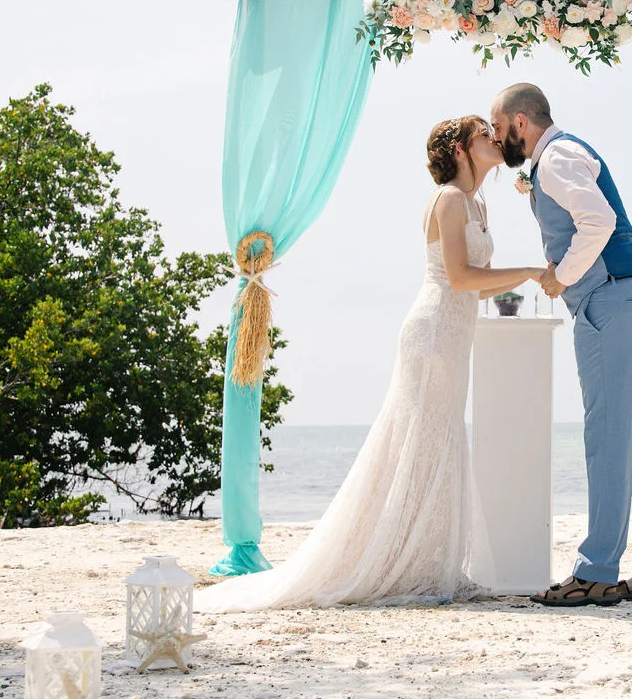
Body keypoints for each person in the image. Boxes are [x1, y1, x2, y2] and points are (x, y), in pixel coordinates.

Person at [196, 116, 545, 612]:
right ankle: (406, 564)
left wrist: (525, 280)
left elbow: (483, 283)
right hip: (431, 334)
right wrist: (531, 270)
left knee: (439, 437)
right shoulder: (447, 199)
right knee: (420, 439)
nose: (494, 137)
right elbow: (461, 278)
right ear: (462, 151)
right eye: (483, 133)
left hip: (455, 333)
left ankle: (427, 562)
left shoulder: (479, 202)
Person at [490, 83, 632, 608]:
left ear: (521, 123)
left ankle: (596, 571)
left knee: (607, 438)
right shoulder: (560, 157)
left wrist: (561, 277)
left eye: (498, 126)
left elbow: (598, 221)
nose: (495, 136)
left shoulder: (554, 158)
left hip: (611, 303)